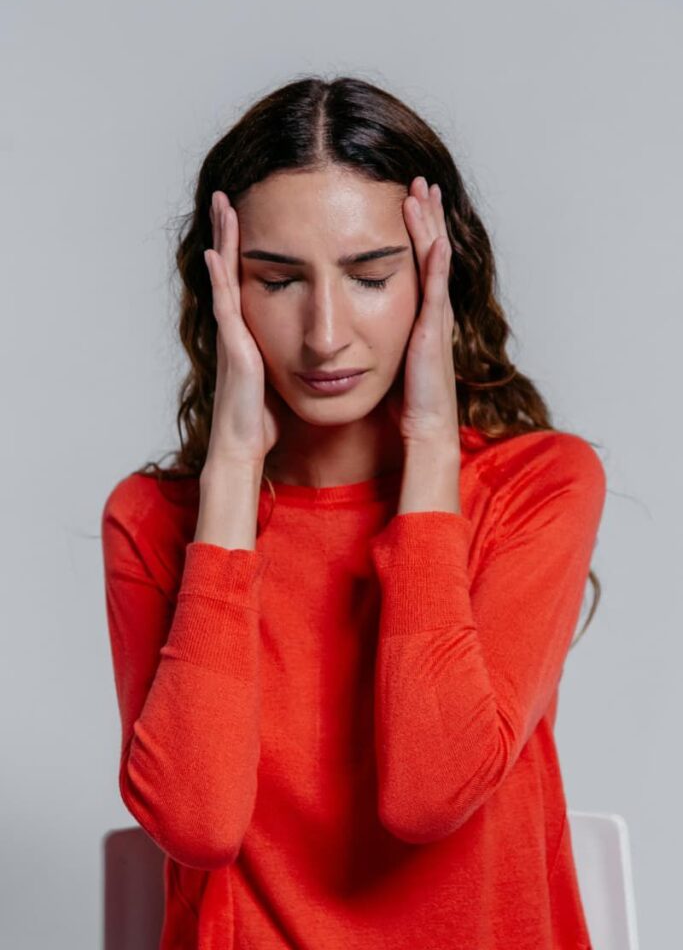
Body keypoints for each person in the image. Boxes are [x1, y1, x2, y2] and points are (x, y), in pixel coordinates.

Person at [101, 75, 607, 949]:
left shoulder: (538, 486)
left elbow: (427, 793)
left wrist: (431, 449)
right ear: (221, 290)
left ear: (436, 278)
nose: (325, 331)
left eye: (370, 276)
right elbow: (197, 824)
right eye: (278, 280)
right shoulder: (153, 521)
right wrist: (229, 476)